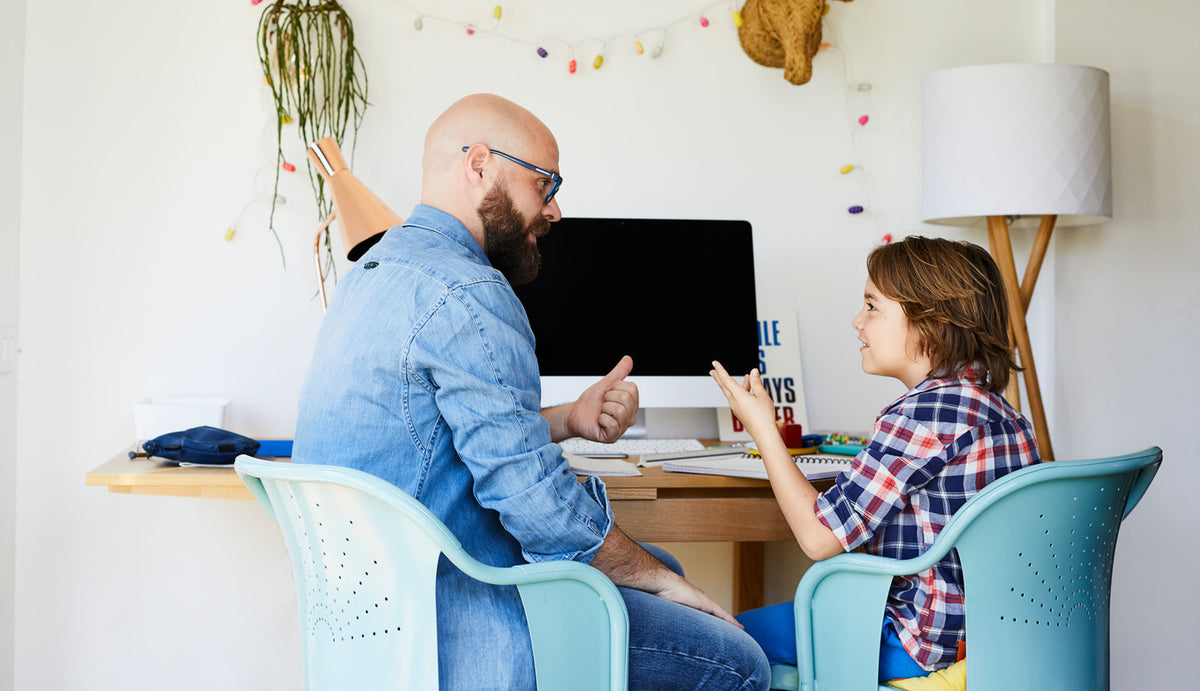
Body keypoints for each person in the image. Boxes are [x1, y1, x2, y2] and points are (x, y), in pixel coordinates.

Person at [294, 93, 769, 691]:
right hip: (465, 622)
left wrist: (568, 418)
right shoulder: (468, 290)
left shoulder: (371, 273)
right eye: (546, 184)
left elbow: (434, 437)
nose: (556, 209)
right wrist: (658, 578)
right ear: (480, 166)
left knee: (661, 572)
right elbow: (538, 508)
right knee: (736, 658)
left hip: (374, 619)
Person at [710, 235, 1041, 685]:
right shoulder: (1007, 415)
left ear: (934, 324)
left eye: (872, 307)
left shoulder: (922, 416)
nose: (856, 322)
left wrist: (764, 429)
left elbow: (819, 538)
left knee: (718, 637)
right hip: (996, 640)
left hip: (917, 641)